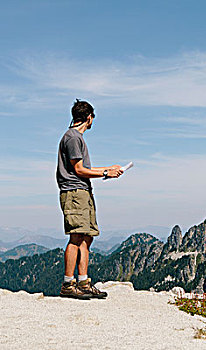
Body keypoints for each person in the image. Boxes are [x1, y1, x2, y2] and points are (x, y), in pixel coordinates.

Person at [56, 99, 123, 299]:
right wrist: (105, 173)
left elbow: (82, 170)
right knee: (76, 236)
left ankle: (84, 282)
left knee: (87, 236)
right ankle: (68, 284)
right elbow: (79, 170)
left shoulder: (74, 137)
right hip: (75, 192)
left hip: (82, 192)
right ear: (89, 118)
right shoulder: (73, 138)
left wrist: (108, 169)